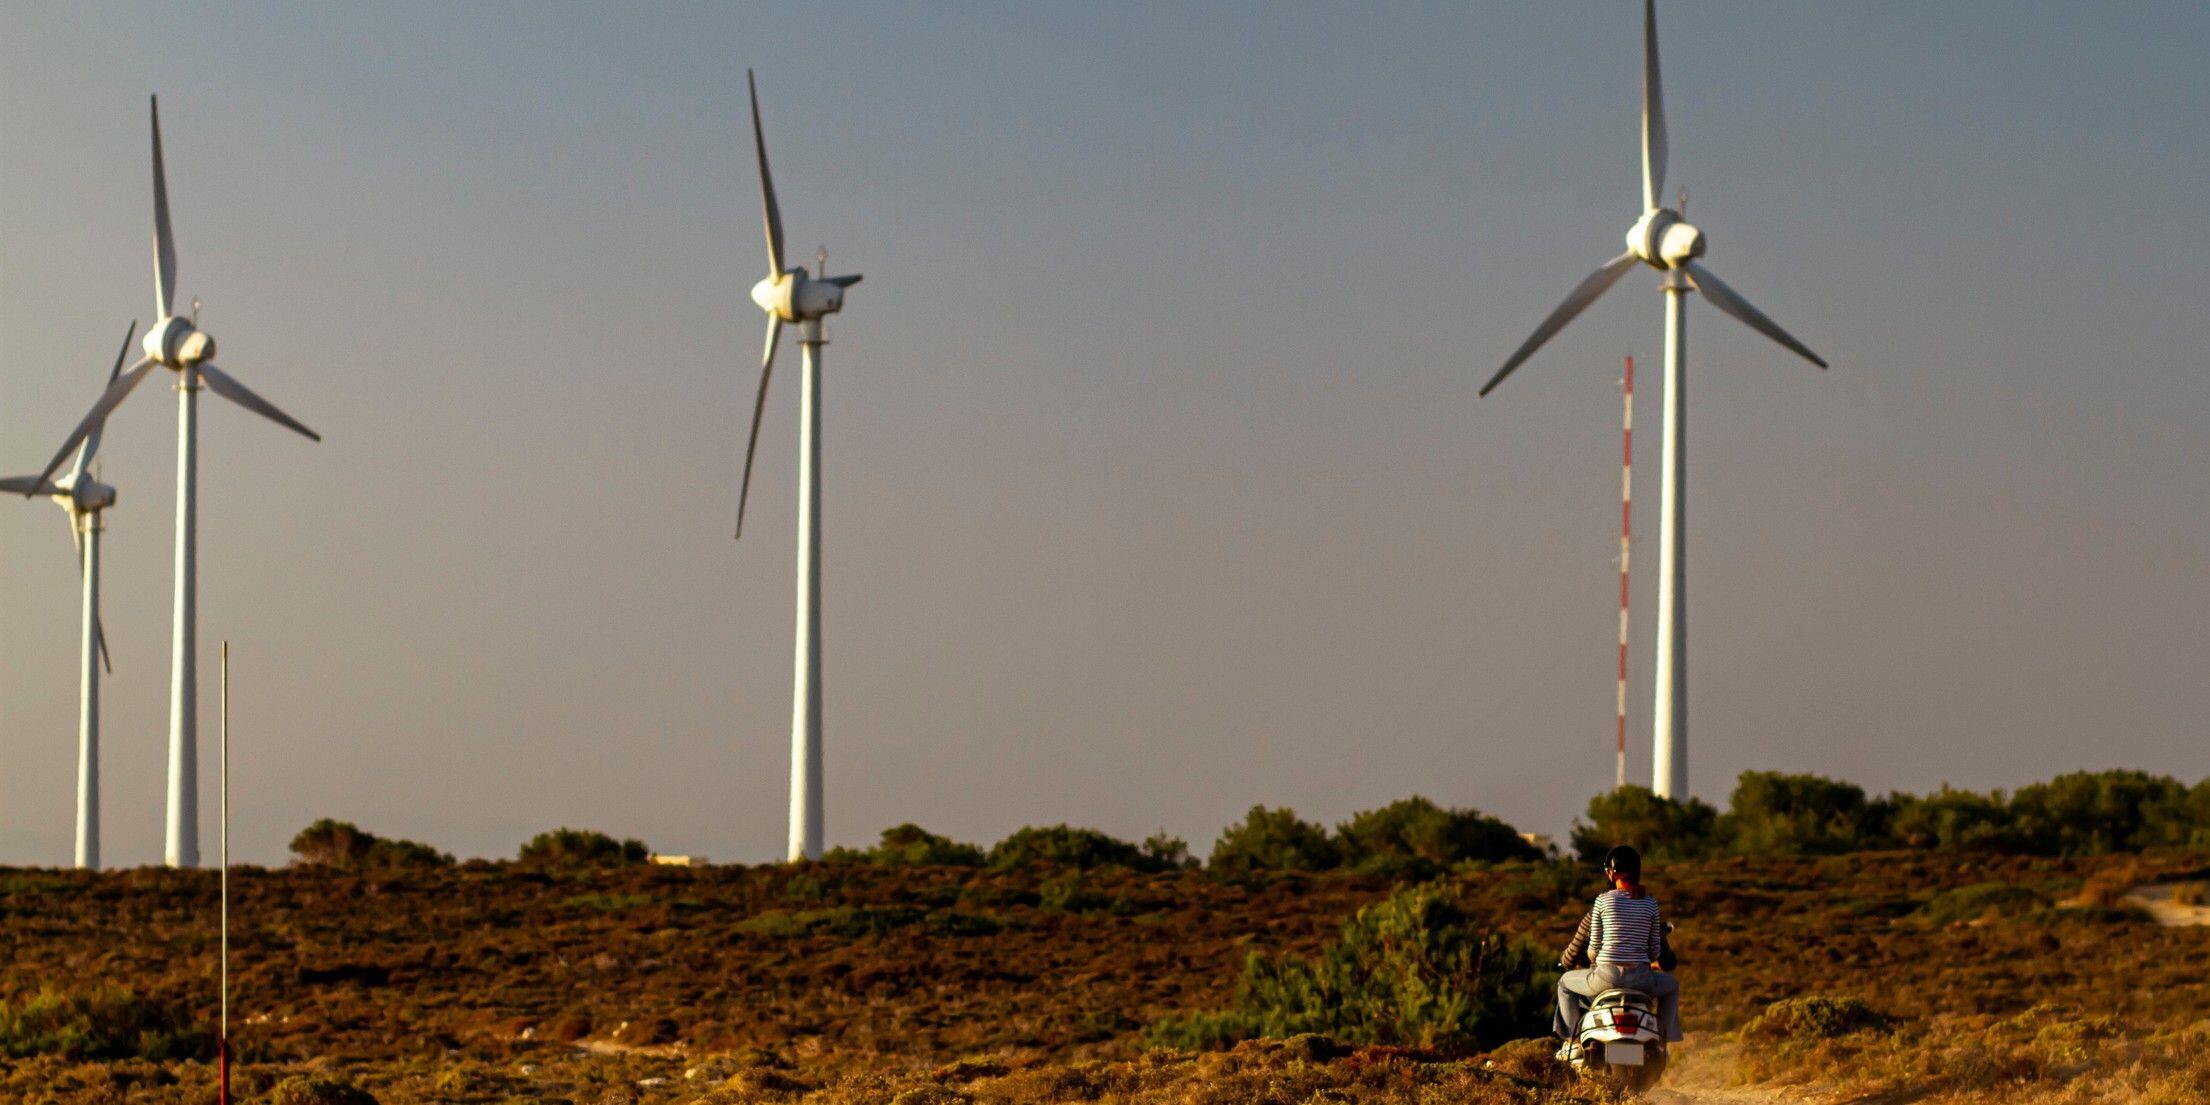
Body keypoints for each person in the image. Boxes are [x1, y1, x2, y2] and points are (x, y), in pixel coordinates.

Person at [1553, 844, 1683, 1049]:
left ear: (1612, 874)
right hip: (1642, 980)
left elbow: (1593, 948)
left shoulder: (1602, 901)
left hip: (1606, 978)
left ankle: (1574, 1041)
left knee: (1564, 984)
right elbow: (1655, 951)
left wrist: (1595, 959)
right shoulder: (1650, 904)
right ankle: (1662, 1040)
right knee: (1672, 985)